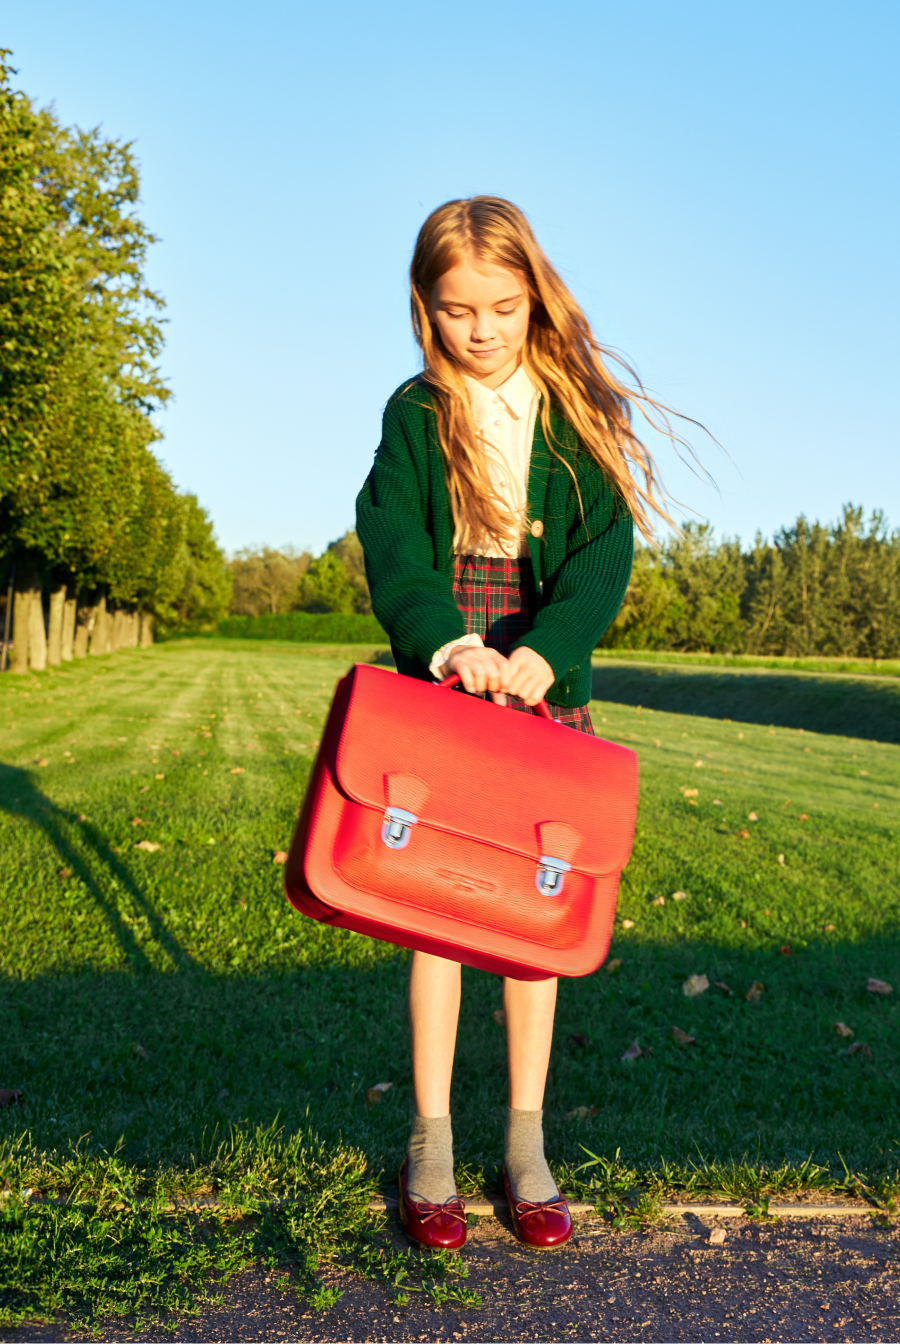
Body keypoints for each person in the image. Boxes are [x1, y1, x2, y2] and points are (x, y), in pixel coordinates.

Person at [356, 196, 679, 1250]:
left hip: (543, 672)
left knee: (532, 915)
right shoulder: (415, 412)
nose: (481, 330)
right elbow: (392, 542)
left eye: (501, 307)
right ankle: (432, 1146)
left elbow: (603, 555)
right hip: (448, 668)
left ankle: (527, 1147)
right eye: (457, 310)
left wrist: (547, 651)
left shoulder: (576, 411)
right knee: (439, 913)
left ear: (534, 297)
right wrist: (447, 645)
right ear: (426, 306)